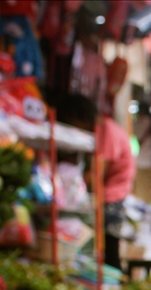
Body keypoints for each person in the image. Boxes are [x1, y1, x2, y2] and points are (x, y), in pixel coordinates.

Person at [56, 94, 136, 269]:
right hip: (111, 196)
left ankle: (111, 283)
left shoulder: (107, 132)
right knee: (106, 249)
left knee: (108, 250)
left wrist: (68, 186)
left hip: (110, 198)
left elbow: (97, 174)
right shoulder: (105, 129)